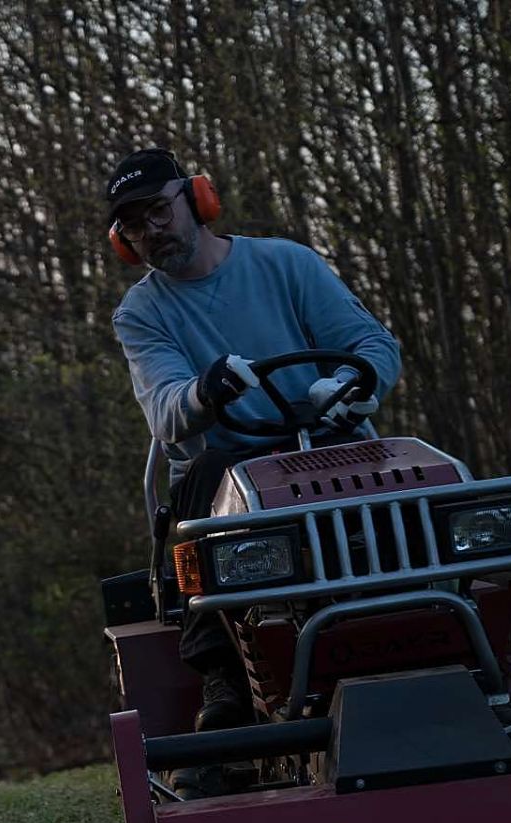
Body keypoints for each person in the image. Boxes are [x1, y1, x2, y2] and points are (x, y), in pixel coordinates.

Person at [107, 147, 403, 748]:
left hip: (329, 446)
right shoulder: (141, 313)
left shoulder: (287, 263)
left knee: (411, 475)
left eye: (159, 210)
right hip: (230, 478)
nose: (150, 230)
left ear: (197, 199)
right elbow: (165, 410)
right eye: (133, 224)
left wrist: (350, 385)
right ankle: (223, 677)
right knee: (203, 471)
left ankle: (424, 627)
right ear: (123, 241)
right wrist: (206, 391)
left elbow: (372, 346)